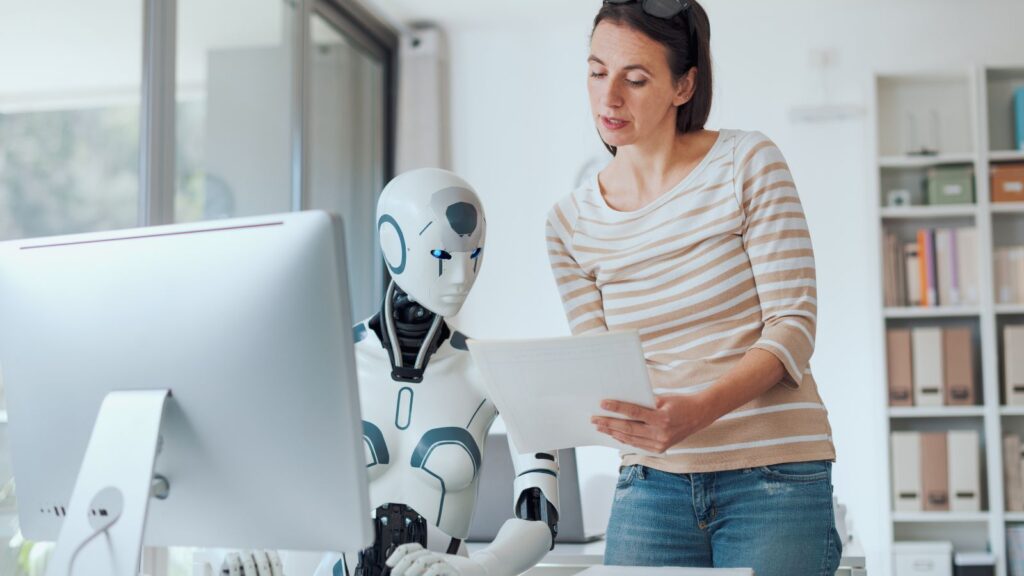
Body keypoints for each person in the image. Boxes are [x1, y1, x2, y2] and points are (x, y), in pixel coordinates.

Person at [545, 1, 841, 574]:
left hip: (772, 476)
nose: (610, 99)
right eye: (597, 71)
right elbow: (603, 368)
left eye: (635, 79)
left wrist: (699, 411)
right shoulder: (569, 224)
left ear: (684, 86)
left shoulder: (745, 162)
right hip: (651, 485)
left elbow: (793, 329)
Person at [318, 168, 559, 576]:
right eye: (443, 256)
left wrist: (481, 569)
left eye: (474, 256)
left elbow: (541, 515)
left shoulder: (497, 372)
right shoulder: (324, 363)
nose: (462, 277)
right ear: (392, 242)